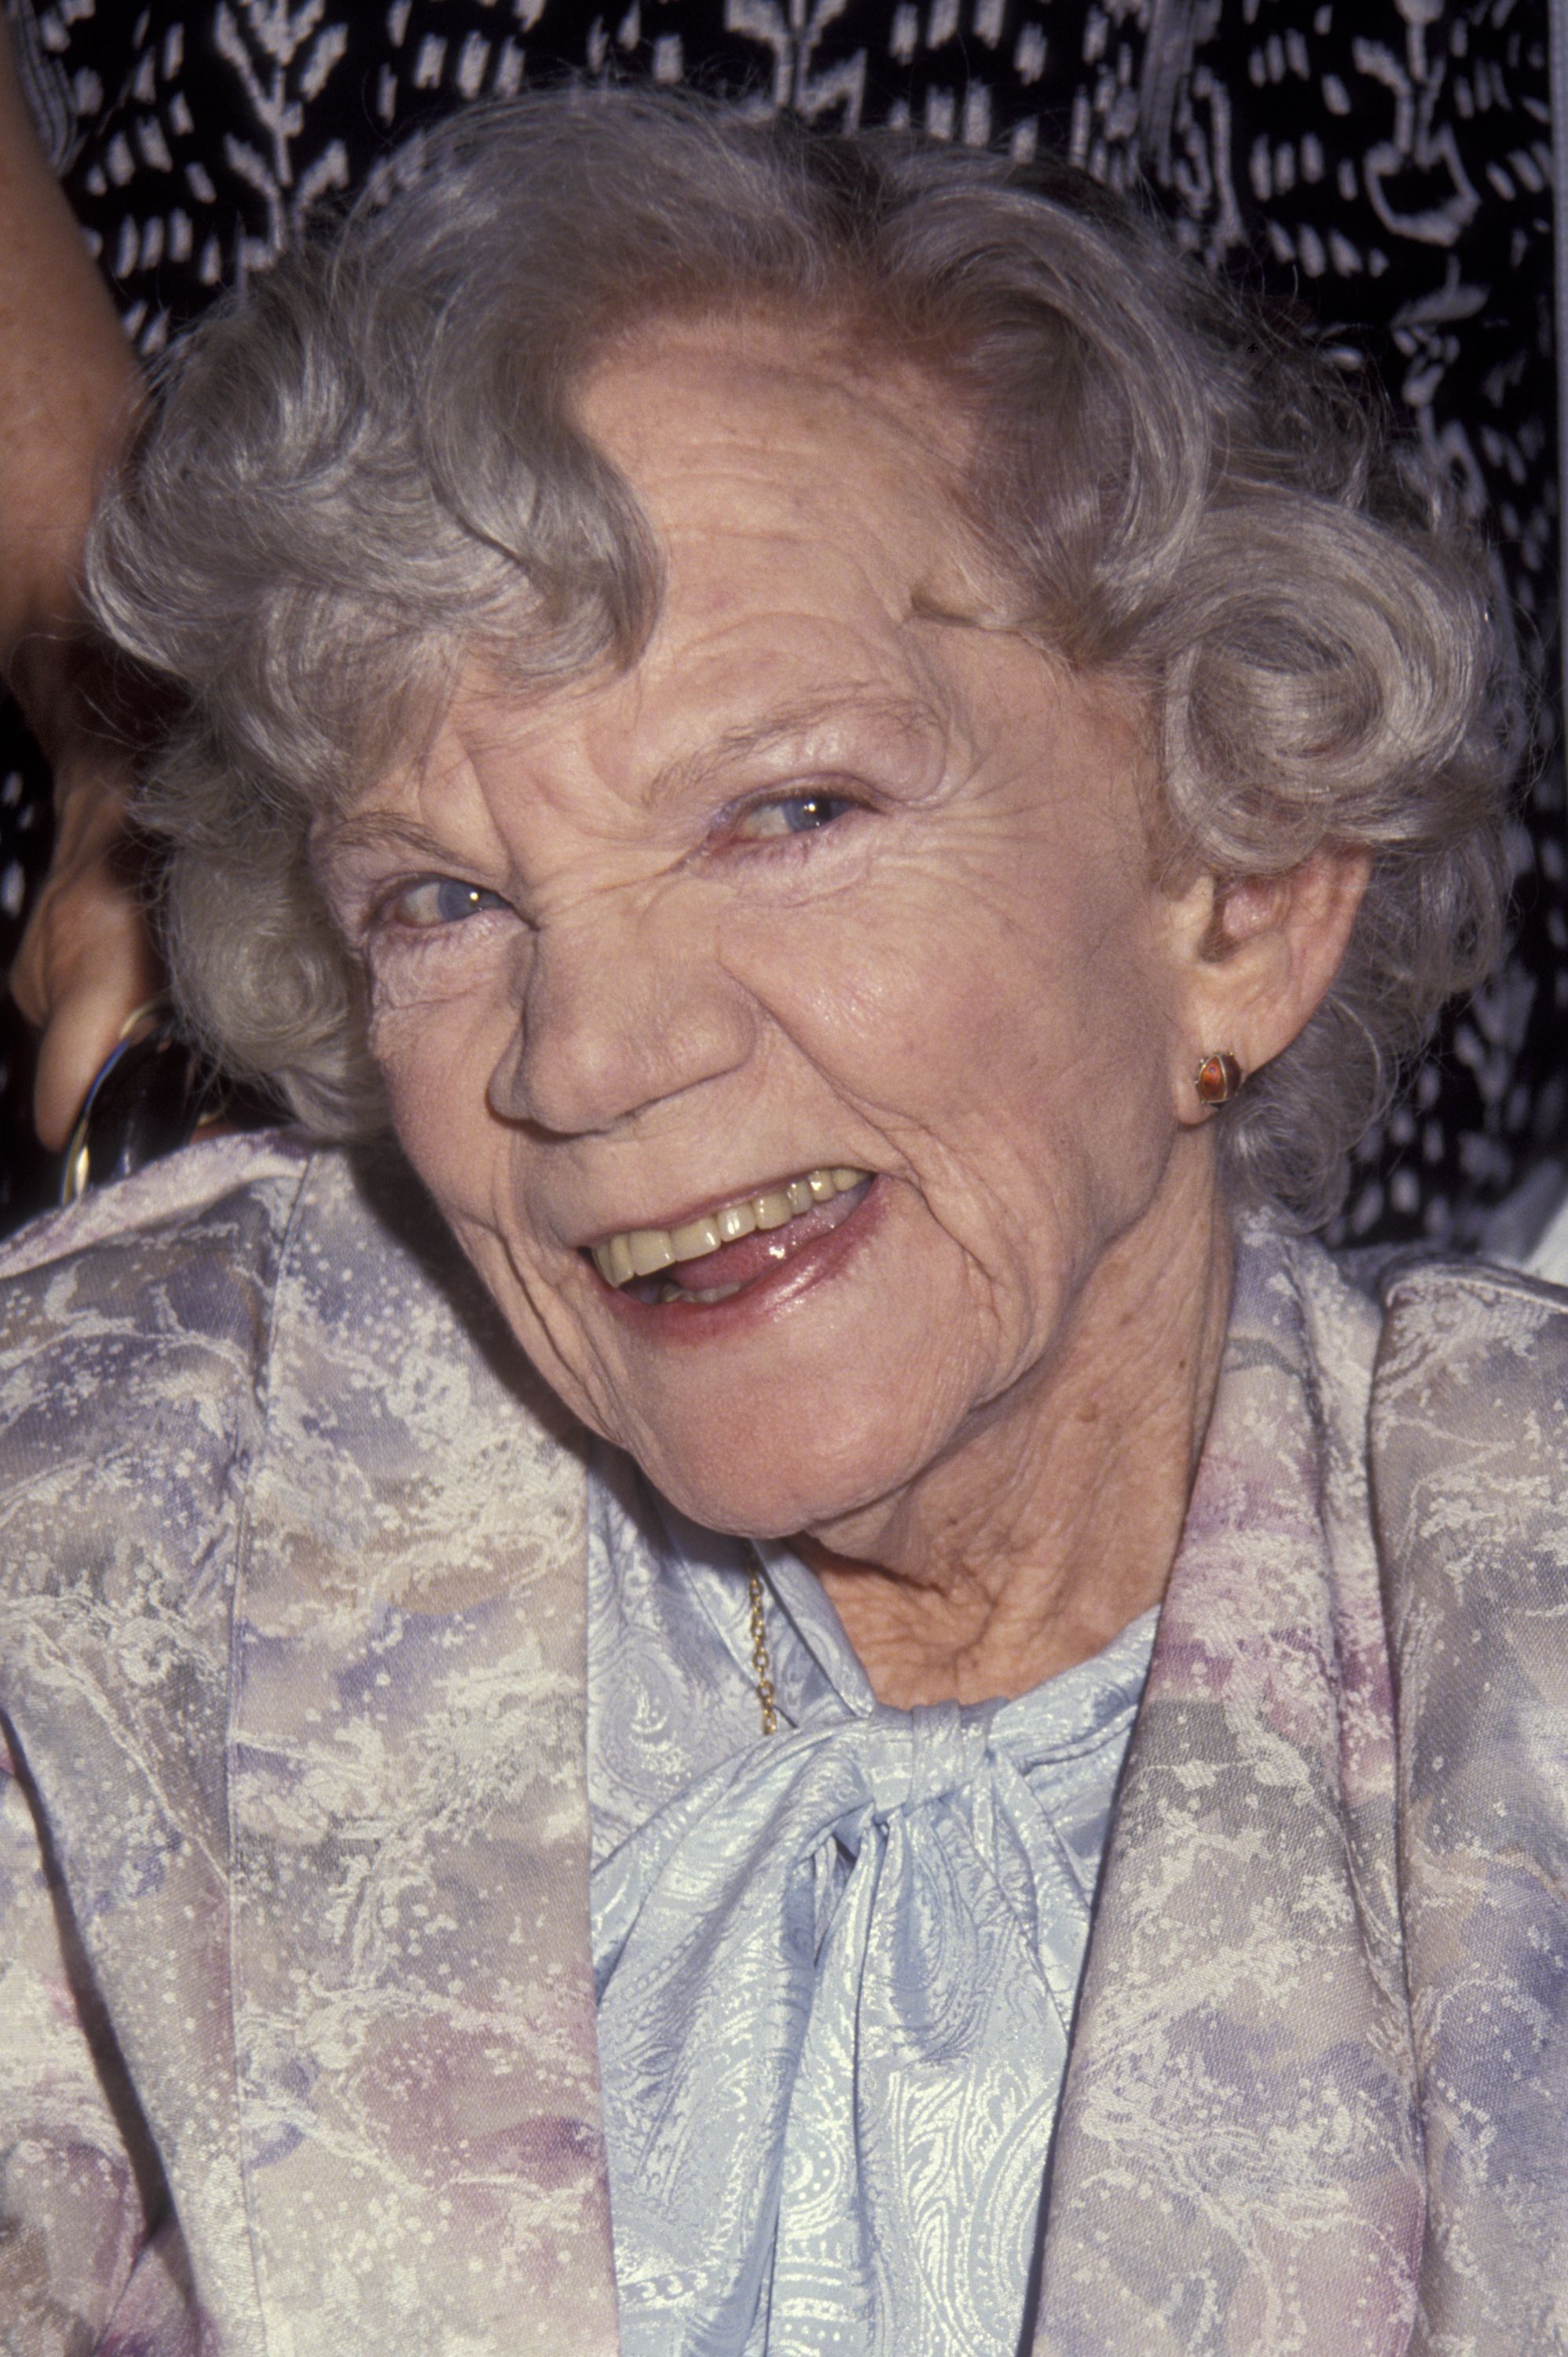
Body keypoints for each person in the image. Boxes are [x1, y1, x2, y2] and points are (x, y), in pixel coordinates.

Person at [2, 87, 1566, 2355]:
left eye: (785, 810)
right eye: (444, 898)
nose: (591, 1056)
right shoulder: (115, 1530)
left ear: (1235, 888)